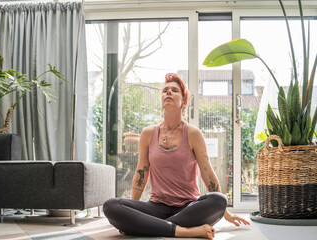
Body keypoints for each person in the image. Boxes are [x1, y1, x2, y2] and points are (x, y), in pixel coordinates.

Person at [103, 73, 249, 239]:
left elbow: (207, 173)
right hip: (156, 206)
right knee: (111, 206)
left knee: (219, 200)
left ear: (184, 101)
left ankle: (148, 226)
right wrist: (133, 208)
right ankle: (182, 231)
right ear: (161, 99)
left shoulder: (193, 134)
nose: (168, 93)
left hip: (188, 208)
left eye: (174, 90)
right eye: (165, 90)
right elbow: (141, 173)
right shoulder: (148, 134)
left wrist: (225, 211)